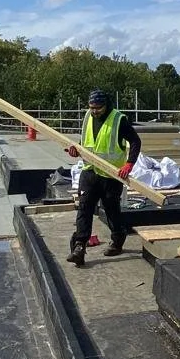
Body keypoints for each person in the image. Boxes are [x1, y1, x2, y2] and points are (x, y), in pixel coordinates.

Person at [65, 89, 141, 266]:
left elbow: (135, 141)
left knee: (111, 209)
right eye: (91, 107)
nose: (94, 111)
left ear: (106, 105)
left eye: (98, 108)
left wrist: (129, 164)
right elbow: (85, 142)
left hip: (111, 175)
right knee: (84, 208)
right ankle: (79, 247)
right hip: (90, 171)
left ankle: (117, 239)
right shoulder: (87, 117)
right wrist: (76, 150)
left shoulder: (118, 119)